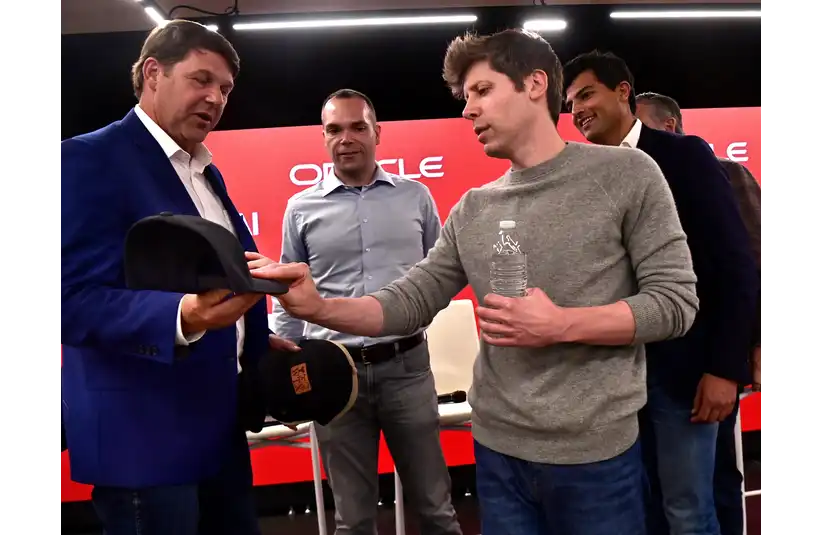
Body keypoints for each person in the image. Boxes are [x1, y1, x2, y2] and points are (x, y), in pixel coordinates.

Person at [249, 29, 700, 535]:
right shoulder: (474, 208)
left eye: (482, 91)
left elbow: (675, 303)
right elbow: (410, 299)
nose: (468, 110)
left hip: (594, 456)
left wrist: (563, 324)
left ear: (534, 84)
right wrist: (317, 308)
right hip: (498, 453)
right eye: (466, 98)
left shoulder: (628, 174)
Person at [59, 20, 269, 535]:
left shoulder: (203, 170)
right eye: (202, 80)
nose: (215, 99)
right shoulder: (86, 160)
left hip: (220, 429)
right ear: (153, 73)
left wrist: (251, 340)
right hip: (142, 442)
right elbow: (70, 299)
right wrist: (184, 314)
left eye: (224, 89)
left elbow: (222, 274)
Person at [563, 51, 759, 535]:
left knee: (690, 512)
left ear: (622, 91)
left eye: (586, 94)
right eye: (569, 103)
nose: (578, 110)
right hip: (614, 381)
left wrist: (724, 369)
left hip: (685, 374)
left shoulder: (683, 155)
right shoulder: (581, 175)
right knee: (639, 514)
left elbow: (735, 265)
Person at [254, 88, 462, 535]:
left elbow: (441, 274)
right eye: (334, 129)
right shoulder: (300, 208)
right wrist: (281, 376)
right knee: (353, 519)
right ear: (323, 137)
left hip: (407, 368)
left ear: (377, 133)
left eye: (357, 127)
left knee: (435, 509)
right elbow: (288, 297)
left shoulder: (417, 197)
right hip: (334, 377)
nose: (345, 138)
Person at [635, 91, 766, 535]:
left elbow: (746, 268)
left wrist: (729, 365)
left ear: (667, 128)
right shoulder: (621, 182)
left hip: (701, 367)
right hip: (646, 370)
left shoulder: (721, 174)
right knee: (669, 496)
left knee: (709, 490)